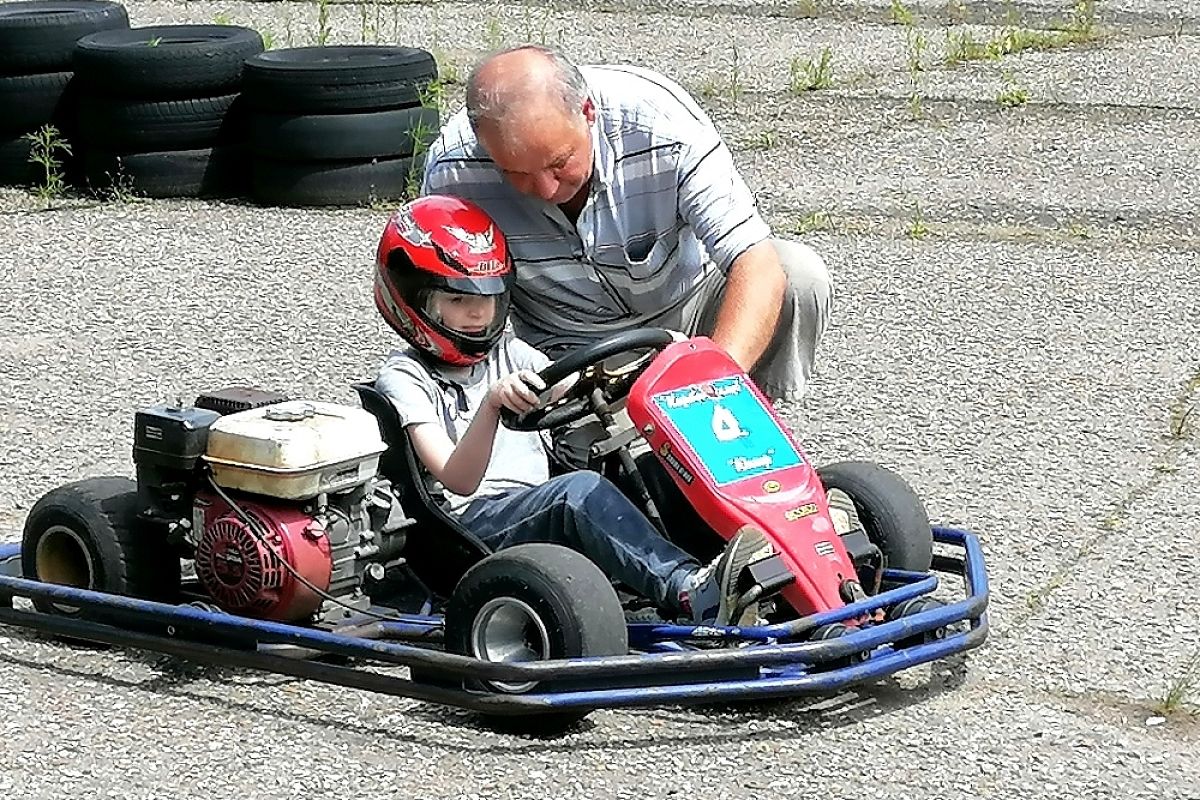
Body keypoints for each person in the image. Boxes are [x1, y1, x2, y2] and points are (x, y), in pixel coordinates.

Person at [371, 193, 775, 627]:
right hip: (466, 531)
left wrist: (661, 358)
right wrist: (491, 408)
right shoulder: (404, 378)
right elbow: (458, 480)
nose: (476, 313)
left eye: (487, 300)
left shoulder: (508, 353)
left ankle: (761, 557)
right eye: (456, 301)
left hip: (528, 507)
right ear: (412, 300)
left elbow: (577, 380)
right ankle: (689, 590)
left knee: (649, 465)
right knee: (578, 493)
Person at [420, 44, 833, 408]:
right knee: (620, 487)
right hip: (566, 345)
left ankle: (749, 411)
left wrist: (715, 389)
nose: (545, 188)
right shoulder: (453, 171)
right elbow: (438, 299)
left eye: (559, 162)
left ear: (587, 112)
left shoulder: (662, 126)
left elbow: (755, 264)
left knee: (797, 273)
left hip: (685, 311)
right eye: (516, 174)